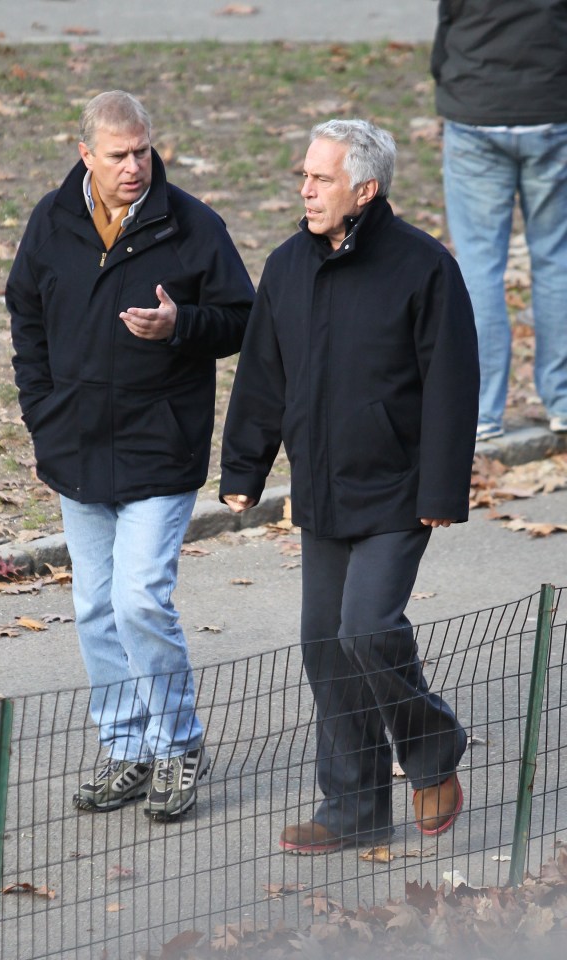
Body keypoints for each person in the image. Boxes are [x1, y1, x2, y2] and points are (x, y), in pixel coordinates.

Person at [220, 119, 479, 854]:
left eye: (321, 177)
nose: (305, 188)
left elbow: (452, 386)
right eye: (304, 174)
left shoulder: (424, 267)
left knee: (366, 628)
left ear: (364, 189)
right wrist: (245, 467)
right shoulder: (286, 266)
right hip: (323, 491)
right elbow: (263, 376)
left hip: (399, 489)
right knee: (324, 648)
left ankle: (432, 751)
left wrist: (441, 490)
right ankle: (356, 806)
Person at [7, 90, 254, 819]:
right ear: (86, 153)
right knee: (93, 607)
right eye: (118, 154)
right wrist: (41, 413)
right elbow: (25, 313)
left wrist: (182, 324)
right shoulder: (52, 223)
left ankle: (177, 745)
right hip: (75, 448)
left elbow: (242, 317)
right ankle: (127, 750)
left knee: (140, 598)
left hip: (160, 447)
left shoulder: (192, 226)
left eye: (143, 150)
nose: (135, 167)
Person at [432, 0, 567, 442]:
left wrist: (449, 82)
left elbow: (448, 23)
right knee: (557, 259)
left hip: (476, 106)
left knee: (477, 265)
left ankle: (481, 411)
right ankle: (562, 401)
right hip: (552, 106)